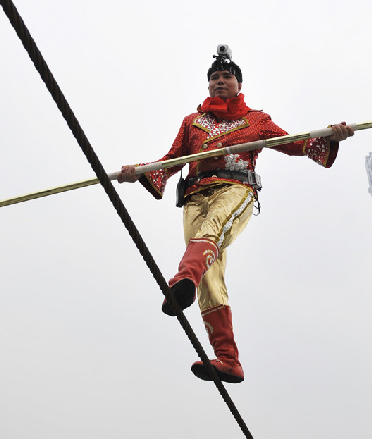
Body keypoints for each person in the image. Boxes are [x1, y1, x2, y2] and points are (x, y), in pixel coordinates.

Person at [118, 45, 353, 383]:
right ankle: (228, 359)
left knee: (208, 238)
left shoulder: (256, 121)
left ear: (239, 84)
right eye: (214, 77)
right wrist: (140, 170)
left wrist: (331, 137)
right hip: (196, 197)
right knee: (209, 278)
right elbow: (171, 160)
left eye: (226, 76)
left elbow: (294, 143)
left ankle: (182, 280)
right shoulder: (192, 122)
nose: (219, 81)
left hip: (236, 188)